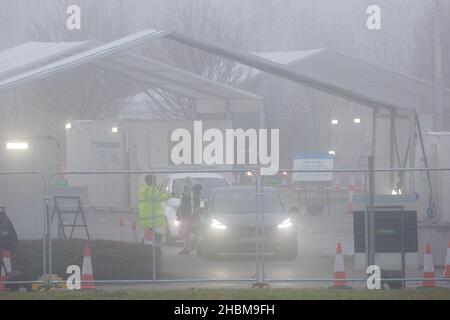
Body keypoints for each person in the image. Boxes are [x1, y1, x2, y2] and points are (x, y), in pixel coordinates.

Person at [138, 175, 171, 244]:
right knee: (150, 235)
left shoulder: (143, 189)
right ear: (152, 181)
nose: (156, 182)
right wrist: (169, 195)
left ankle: (145, 245)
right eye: (155, 180)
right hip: (151, 216)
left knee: (149, 232)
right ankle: (148, 249)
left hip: (145, 216)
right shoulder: (152, 189)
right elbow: (159, 198)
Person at [177, 177, 195, 255]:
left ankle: (186, 248)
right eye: (185, 182)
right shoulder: (184, 189)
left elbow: (192, 202)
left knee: (185, 231)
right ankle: (190, 243)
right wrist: (179, 212)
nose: (186, 184)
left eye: (188, 182)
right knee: (181, 231)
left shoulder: (192, 190)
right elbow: (181, 202)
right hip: (184, 213)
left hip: (188, 214)